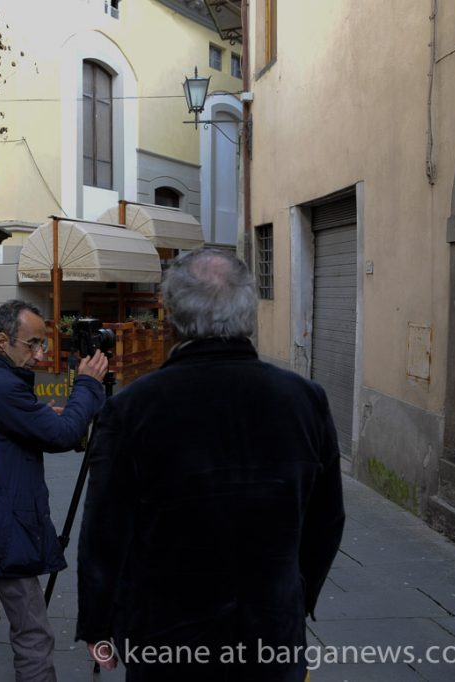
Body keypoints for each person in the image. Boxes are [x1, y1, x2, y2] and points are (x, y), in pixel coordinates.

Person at [76, 248, 345, 682]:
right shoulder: (304, 400)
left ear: (173, 317)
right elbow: (326, 521)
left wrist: (98, 622)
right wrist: (296, 595)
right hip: (271, 634)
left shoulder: (133, 408)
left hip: (167, 639)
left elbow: (105, 531)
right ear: (249, 314)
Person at [0, 299, 109, 681]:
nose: (40, 355)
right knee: (33, 633)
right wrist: (88, 385)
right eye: (33, 344)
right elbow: (64, 435)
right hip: (3, 532)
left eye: (43, 344)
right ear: (2, 341)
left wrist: (36, 417)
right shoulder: (2, 387)